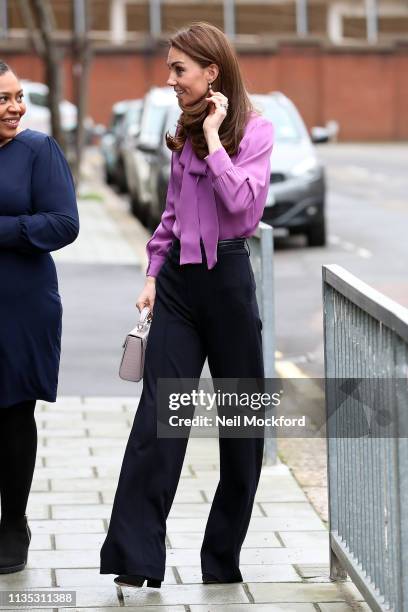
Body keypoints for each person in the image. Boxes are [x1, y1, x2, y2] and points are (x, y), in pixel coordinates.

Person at [100, 22, 274, 588]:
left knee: (242, 425)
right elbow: (172, 216)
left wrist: (219, 139)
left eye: (179, 69)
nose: (170, 79)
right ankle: (135, 558)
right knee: (158, 420)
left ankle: (221, 560)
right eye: (170, 68)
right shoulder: (181, 131)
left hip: (227, 282)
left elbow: (244, 210)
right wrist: (153, 271)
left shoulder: (257, 131)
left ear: (211, 73)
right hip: (178, 287)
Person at [0, 60, 79, 574]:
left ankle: (13, 524)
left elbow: (63, 223)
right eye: (3, 99)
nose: (15, 107)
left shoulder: (37, 151)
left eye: (18, 96)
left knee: (11, 416)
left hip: (21, 306)